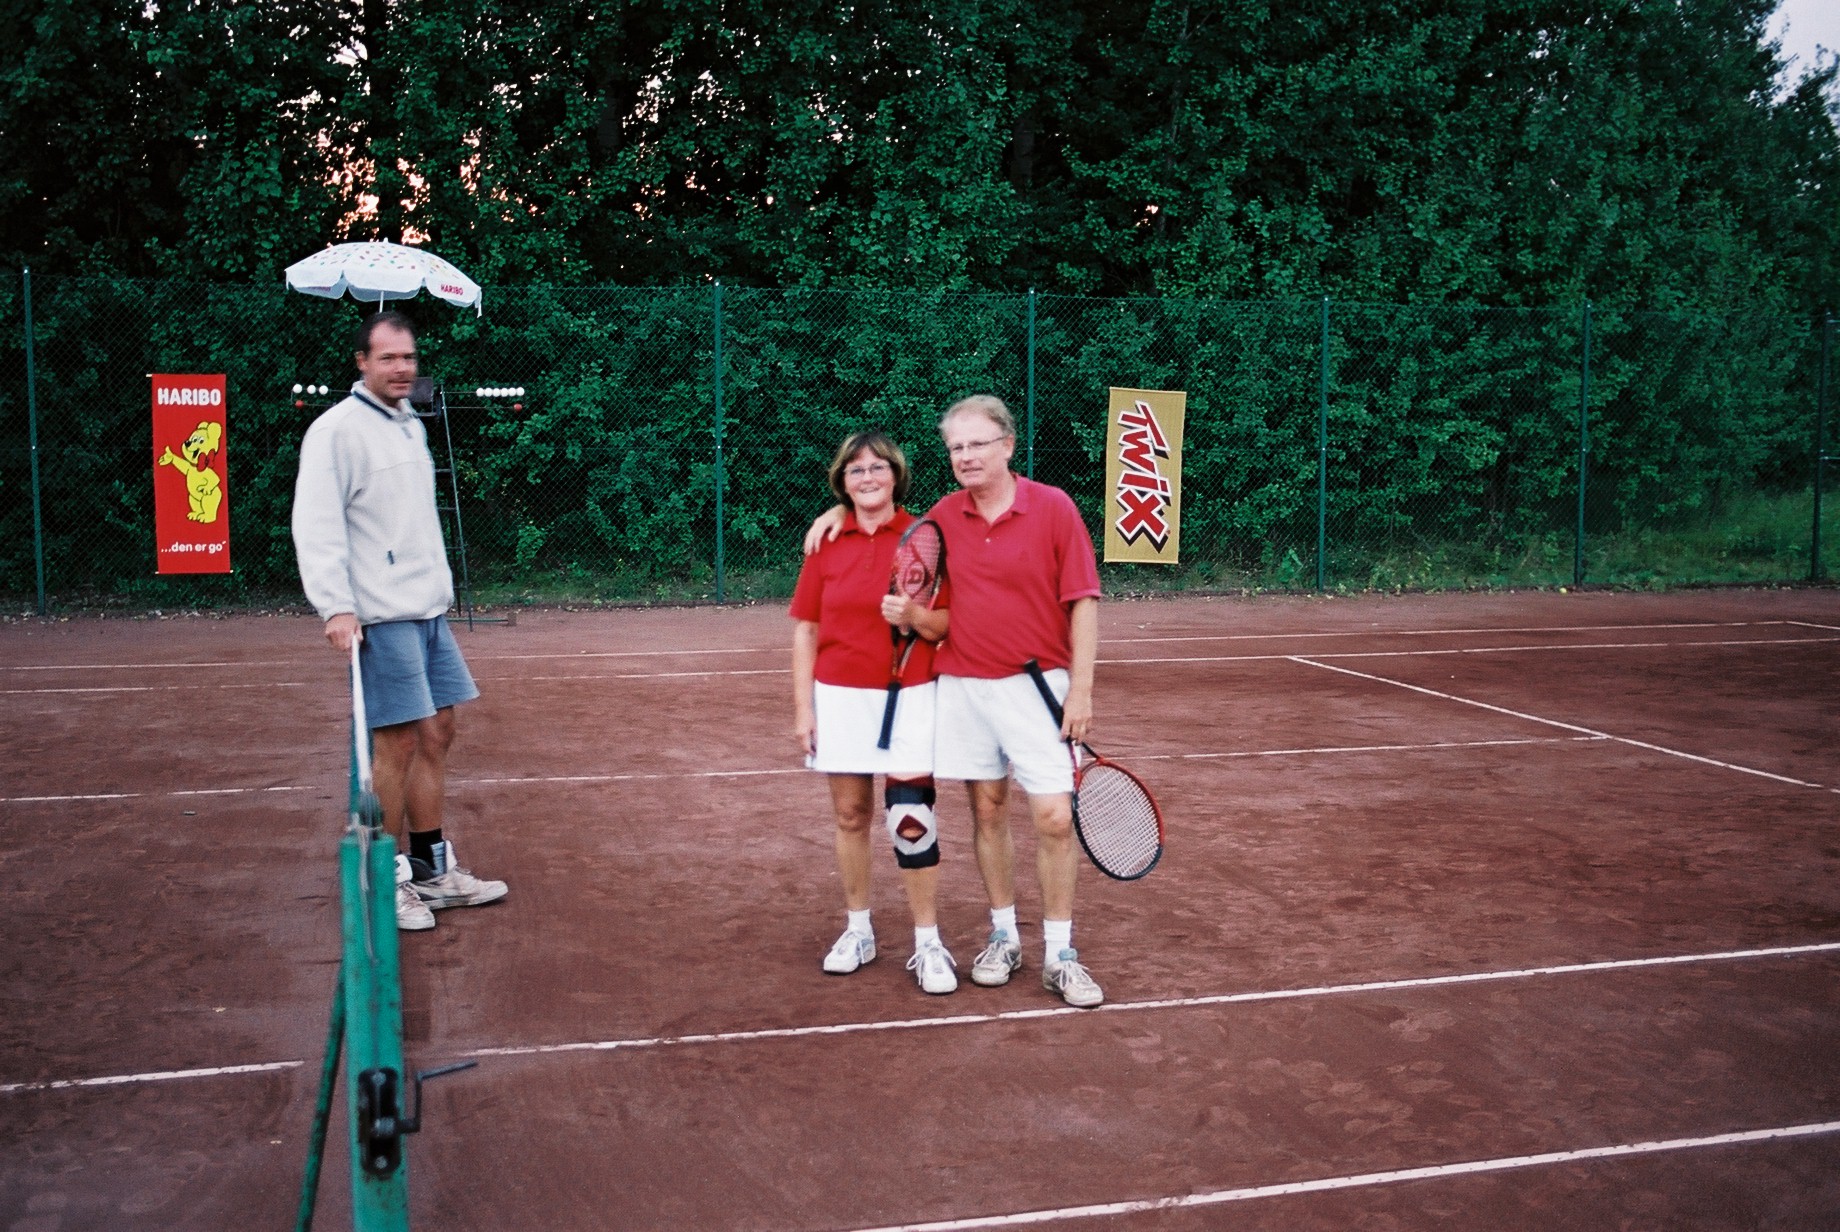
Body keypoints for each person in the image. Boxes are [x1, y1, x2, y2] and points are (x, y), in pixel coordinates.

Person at [805, 395, 1104, 1007]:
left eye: (977, 444)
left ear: (1008, 446)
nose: (966, 456)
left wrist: (1082, 690)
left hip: (1038, 686)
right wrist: (835, 510)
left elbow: (1084, 601)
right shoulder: (941, 518)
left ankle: (1061, 954)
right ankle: (1003, 937)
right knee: (988, 811)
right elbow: (880, 514)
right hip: (963, 685)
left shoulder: (1053, 507)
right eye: (955, 447)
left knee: (1053, 817)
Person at [292, 310, 508, 932]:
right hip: (381, 614)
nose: (401, 368)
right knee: (398, 741)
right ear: (361, 362)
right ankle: (381, 879)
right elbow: (316, 522)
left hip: (426, 609)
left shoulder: (412, 425)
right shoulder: (336, 431)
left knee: (438, 732)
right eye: (387, 357)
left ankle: (432, 868)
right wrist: (335, 604)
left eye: (408, 357)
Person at [790, 430, 956, 994]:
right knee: (850, 815)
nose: (867, 477)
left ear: (895, 475)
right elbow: (806, 630)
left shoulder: (923, 536)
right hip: (839, 695)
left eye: (878, 467)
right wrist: (804, 709)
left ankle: (928, 941)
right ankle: (858, 930)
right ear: (843, 481)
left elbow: (946, 623)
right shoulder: (826, 541)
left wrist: (913, 616)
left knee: (912, 815)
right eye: (856, 469)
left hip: (909, 693)